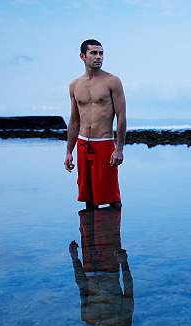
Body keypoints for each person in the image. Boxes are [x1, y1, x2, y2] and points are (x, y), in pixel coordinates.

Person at [64, 39, 126, 210]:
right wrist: (69, 151)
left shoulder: (112, 81)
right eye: (93, 53)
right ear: (82, 56)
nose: (99, 57)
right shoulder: (74, 85)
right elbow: (74, 120)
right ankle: (89, 236)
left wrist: (119, 148)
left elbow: (121, 116)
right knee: (88, 198)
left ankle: (113, 235)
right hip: (83, 145)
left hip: (104, 144)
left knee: (112, 198)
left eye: (101, 53)